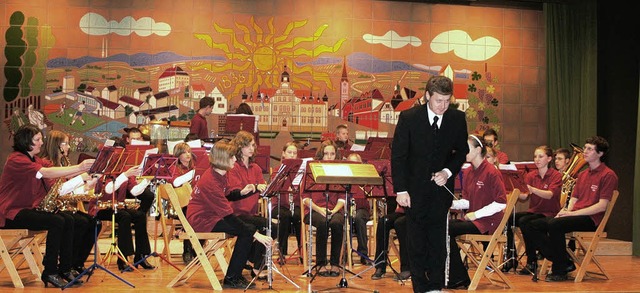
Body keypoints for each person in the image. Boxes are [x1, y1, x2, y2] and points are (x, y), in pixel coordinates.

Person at [391, 75, 469, 293]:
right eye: (438, 101)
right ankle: (421, 288)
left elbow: (461, 151)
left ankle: (435, 287)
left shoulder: (456, 118)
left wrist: (447, 171)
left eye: (447, 101)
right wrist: (401, 189)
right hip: (413, 191)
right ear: (427, 96)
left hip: (440, 191)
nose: (443, 106)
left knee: (437, 242)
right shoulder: (409, 118)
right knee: (416, 242)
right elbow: (398, 156)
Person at [0, 124, 94, 288]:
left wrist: (84, 171)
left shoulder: (35, 159)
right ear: (26, 142)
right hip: (10, 213)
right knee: (57, 221)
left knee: (67, 219)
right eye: (37, 140)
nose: (41, 143)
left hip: (26, 210)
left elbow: (58, 171)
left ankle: (64, 269)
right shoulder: (16, 159)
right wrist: (80, 168)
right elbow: (46, 173)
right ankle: (49, 271)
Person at [528, 136, 618, 282]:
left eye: (589, 149)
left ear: (600, 154)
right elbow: (574, 199)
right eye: (585, 147)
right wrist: (566, 211)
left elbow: (602, 206)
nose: (585, 151)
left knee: (555, 225)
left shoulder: (608, 175)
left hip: (591, 218)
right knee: (533, 225)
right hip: (575, 214)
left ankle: (559, 270)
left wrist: (573, 213)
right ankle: (564, 261)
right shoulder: (582, 175)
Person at [186, 140, 273, 289]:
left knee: (246, 229)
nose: (235, 159)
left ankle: (234, 275)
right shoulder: (211, 181)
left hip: (212, 216)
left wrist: (241, 192)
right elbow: (228, 216)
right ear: (222, 159)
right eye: (232, 157)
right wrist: (255, 234)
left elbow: (227, 195)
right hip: (202, 220)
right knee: (246, 230)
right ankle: (232, 277)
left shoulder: (221, 173)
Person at [447, 135, 507, 289]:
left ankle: (459, 278)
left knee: (446, 229)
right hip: (475, 220)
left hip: (488, 222)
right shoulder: (468, 172)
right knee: (439, 226)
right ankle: (451, 275)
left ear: (478, 149)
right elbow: (468, 201)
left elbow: (501, 203)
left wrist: (476, 214)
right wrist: (447, 203)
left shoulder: (491, 171)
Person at [39, 130, 102, 279]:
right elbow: (59, 191)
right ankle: (65, 266)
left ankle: (76, 263)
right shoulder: (47, 164)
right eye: (65, 143)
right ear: (56, 146)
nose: (68, 147)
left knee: (93, 222)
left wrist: (88, 185)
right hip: (51, 207)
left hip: (61, 205)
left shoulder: (63, 163)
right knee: (78, 221)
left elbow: (69, 190)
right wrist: (81, 176)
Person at [501, 145, 562, 274]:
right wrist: (513, 187)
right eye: (535, 156)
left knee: (525, 222)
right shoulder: (531, 175)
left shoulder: (555, 175)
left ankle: (531, 260)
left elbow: (550, 194)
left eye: (541, 156)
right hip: (534, 211)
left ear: (549, 159)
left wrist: (532, 189)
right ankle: (511, 256)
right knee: (508, 219)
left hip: (549, 213)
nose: (537, 159)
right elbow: (524, 196)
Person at [90, 163, 155, 272]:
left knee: (140, 216)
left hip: (118, 207)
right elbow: (108, 189)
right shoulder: (105, 169)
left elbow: (134, 191)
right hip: (101, 207)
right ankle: (123, 258)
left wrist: (147, 180)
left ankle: (141, 256)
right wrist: (125, 175)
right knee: (124, 216)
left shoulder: (126, 169)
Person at [228, 130, 273, 279]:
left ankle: (254, 260)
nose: (252, 148)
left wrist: (266, 188)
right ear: (239, 147)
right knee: (266, 225)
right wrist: (254, 187)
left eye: (253, 145)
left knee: (271, 226)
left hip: (251, 213)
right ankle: (257, 265)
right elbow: (234, 192)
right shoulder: (233, 167)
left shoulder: (256, 168)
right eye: (248, 145)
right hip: (236, 213)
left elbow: (262, 190)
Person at [301, 140, 345, 277]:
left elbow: (343, 198)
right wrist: (319, 209)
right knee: (323, 222)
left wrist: (334, 210)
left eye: (332, 154)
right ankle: (320, 263)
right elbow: (305, 198)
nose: (329, 157)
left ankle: (335, 263)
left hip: (334, 209)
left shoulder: (340, 171)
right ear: (321, 155)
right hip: (314, 210)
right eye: (326, 154)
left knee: (337, 223)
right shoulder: (311, 171)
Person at [271, 141, 303, 263]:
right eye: (289, 152)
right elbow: (274, 189)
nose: (292, 155)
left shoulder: (300, 172)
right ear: (283, 154)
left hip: (295, 205)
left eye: (294, 153)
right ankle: (281, 253)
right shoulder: (277, 170)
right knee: (284, 216)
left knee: (299, 216)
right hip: (279, 205)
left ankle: (302, 253)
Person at [168, 142, 197, 264]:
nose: (188, 154)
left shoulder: (195, 166)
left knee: (201, 214)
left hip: (194, 201)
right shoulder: (173, 168)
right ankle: (188, 250)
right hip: (180, 204)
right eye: (184, 152)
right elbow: (175, 183)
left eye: (189, 151)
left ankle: (197, 247)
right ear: (178, 155)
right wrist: (195, 173)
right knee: (191, 215)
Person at [370, 200, 410, 281]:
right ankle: (380, 265)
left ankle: (406, 268)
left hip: (414, 212)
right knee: (383, 222)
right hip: (402, 211)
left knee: (400, 224)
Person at [345, 153, 371, 265]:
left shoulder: (365, 178)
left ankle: (363, 254)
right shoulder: (344, 178)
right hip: (347, 209)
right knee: (346, 218)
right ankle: (346, 253)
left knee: (360, 218)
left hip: (362, 209)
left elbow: (371, 194)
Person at [123, 127, 155, 214]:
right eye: (133, 139)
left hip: (140, 182)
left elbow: (150, 169)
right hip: (125, 184)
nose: (136, 141)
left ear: (142, 139)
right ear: (128, 139)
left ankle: (139, 216)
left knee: (149, 195)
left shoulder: (147, 152)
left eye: (138, 139)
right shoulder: (122, 152)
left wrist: (142, 180)